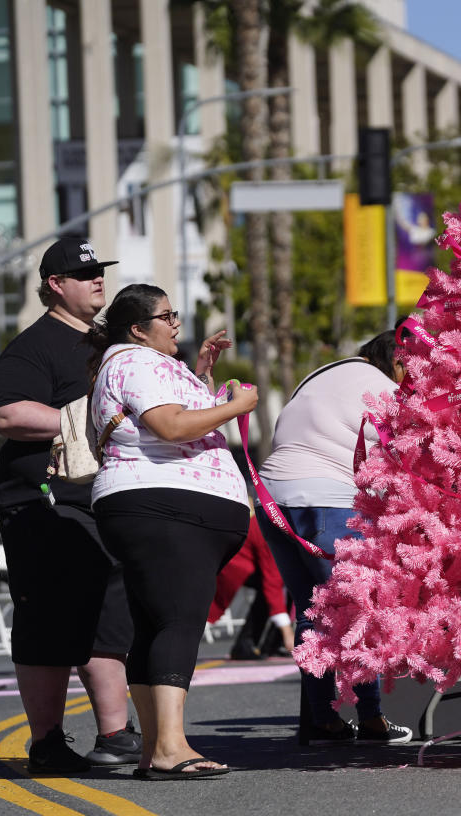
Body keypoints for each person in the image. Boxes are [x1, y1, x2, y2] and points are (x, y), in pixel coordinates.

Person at [0, 235, 140, 774]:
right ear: (56, 285)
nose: (99, 279)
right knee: (49, 623)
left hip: (99, 504)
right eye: (85, 273)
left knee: (108, 618)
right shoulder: (37, 344)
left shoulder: (105, 343)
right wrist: (84, 422)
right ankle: (46, 744)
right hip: (41, 505)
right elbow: (2, 412)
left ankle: (116, 736)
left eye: (101, 271)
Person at [88, 284, 257, 779]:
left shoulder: (143, 363)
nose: (177, 324)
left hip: (158, 506)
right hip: (165, 508)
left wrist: (203, 374)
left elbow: (177, 413)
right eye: (167, 316)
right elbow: (171, 427)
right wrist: (237, 406)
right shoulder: (135, 362)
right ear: (138, 329)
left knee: (154, 624)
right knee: (179, 621)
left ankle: (155, 749)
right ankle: (170, 747)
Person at [256, 329, 413, 746]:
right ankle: (371, 717)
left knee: (312, 609)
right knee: (358, 608)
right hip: (328, 498)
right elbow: (407, 460)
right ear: (398, 362)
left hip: (273, 497)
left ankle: (319, 719)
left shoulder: (324, 372)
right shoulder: (384, 389)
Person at [208, 512, 294, 660]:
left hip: (257, 567)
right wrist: (288, 633)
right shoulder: (268, 526)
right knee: (268, 595)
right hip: (237, 568)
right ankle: (245, 645)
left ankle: (272, 644)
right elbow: (272, 583)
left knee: (288, 586)